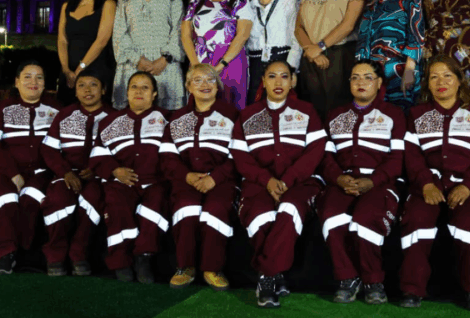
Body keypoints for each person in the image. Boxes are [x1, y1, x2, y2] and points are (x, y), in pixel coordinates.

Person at [399, 55, 470, 313]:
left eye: (447, 75)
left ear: (459, 80)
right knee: (416, 221)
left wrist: (468, 185)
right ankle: (412, 289)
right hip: (428, 185)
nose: (441, 82)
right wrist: (425, 184)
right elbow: (411, 156)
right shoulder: (417, 114)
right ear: (427, 84)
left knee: (468, 224)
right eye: (434, 77)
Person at [230, 61, 326, 308]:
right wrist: (267, 180)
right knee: (260, 216)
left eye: (285, 76)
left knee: (288, 210)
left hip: (301, 183)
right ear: (263, 81)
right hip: (257, 183)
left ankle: (267, 277)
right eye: (272, 76)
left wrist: (285, 181)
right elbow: (241, 158)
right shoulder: (247, 115)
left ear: (293, 81)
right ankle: (275, 275)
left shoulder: (307, 111)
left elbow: (315, 152)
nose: (278, 82)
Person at [318, 60, 406, 305]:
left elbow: (397, 159)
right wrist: (338, 177)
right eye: (355, 77)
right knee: (331, 216)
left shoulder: (394, 115)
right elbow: (326, 156)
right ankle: (348, 278)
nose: (360, 82)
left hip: (380, 183)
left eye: (368, 77)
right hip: (342, 181)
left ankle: (372, 280)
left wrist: (373, 180)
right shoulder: (335, 116)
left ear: (379, 83)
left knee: (365, 219)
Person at [160, 64, 239, 290]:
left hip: (222, 180)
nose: (205, 85)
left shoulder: (232, 115)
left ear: (218, 85)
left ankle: (212, 268)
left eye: (210, 80)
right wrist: (186, 176)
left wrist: (216, 177)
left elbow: (240, 154)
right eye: (198, 80)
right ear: (188, 86)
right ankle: (186, 266)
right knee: (186, 207)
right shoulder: (176, 118)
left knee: (215, 209)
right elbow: (167, 156)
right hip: (187, 180)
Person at [0, 60, 62, 275]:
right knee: (4, 199)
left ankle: (8, 251)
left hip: (42, 173)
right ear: (17, 82)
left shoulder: (57, 110)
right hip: (5, 171)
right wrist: (13, 174)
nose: (33, 82)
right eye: (27, 76)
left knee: (30, 199)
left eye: (39, 77)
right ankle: (6, 256)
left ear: (45, 84)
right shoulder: (3, 109)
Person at [90, 71, 170, 283]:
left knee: (154, 208)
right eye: (134, 87)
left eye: (145, 88)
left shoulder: (167, 119)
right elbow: (97, 155)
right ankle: (120, 262)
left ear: (154, 94)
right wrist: (115, 171)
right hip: (120, 181)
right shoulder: (110, 121)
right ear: (126, 92)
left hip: (155, 181)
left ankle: (143, 259)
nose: (139, 91)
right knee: (117, 208)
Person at [40, 70, 112, 277]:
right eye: (81, 85)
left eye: (93, 84)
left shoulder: (114, 117)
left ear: (104, 90)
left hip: (98, 177)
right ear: (75, 90)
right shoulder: (65, 114)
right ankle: (55, 255)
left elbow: (120, 152)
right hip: (67, 174)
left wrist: (99, 169)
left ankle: (78, 253)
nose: (87, 90)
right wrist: (65, 173)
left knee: (93, 199)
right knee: (58, 199)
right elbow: (49, 149)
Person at [295, 0, 368, 121]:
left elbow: (347, 26)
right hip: (310, 56)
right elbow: (298, 28)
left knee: (336, 109)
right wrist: (310, 50)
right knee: (310, 109)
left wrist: (320, 47)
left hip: (339, 57)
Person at [112, 0, 185, 111]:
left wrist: (165, 59)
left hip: (165, 67)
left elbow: (179, 30)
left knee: (166, 121)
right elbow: (119, 31)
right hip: (132, 66)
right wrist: (137, 60)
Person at [355, 0, 424, 110]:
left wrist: (409, 70)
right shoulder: (371, 1)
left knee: (400, 119)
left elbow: (417, 35)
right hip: (372, 77)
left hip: (399, 73)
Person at [182, 0, 253, 110]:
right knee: (199, 108)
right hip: (199, 60)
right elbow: (186, 35)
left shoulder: (241, 1)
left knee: (229, 109)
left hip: (230, 62)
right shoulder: (196, 1)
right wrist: (196, 66)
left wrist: (220, 66)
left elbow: (242, 36)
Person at [57, 0, 116, 105]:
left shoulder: (108, 4)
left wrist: (79, 71)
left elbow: (102, 41)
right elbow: (62, 40)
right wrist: (66, 70)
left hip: (96, 68)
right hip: (69, 70)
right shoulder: (67, 6)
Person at [246, 0, 302, 105]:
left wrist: (291, 69)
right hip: (255, 65)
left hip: (282, 61)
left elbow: (298, 38)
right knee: (255, 106)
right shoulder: (247, 7)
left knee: (282, 107)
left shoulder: (289, 3)